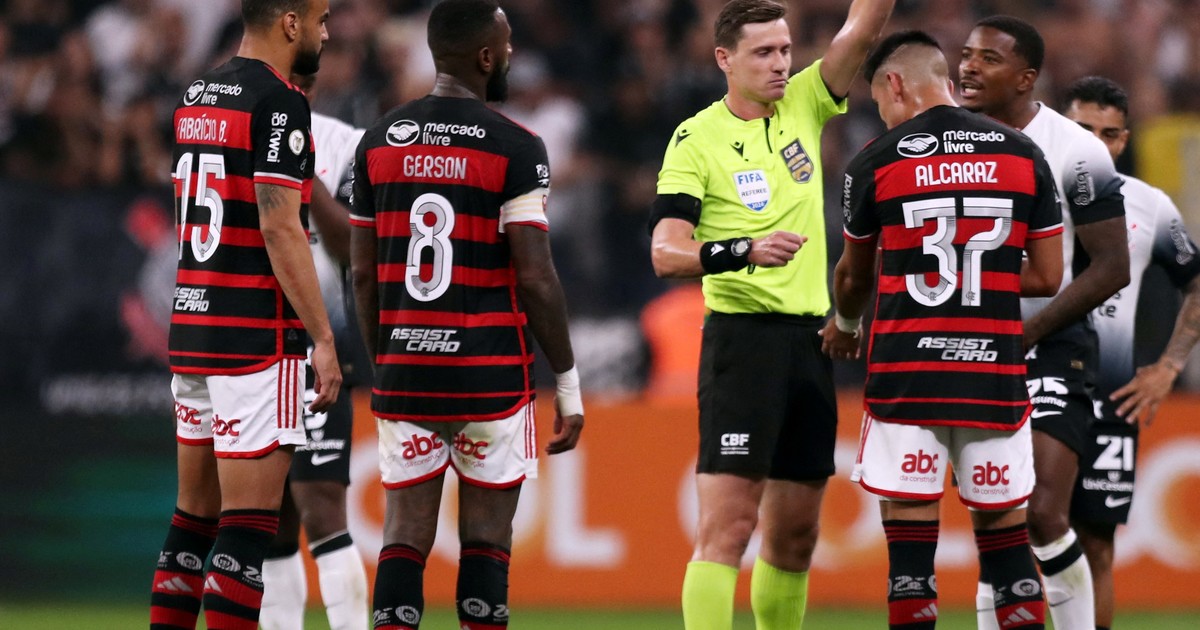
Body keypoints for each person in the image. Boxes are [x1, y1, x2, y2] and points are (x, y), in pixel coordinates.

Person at [648, 0, 894, 627]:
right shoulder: (696, 139)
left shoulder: (805, 101)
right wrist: (742, 250)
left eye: (785, 49)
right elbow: (665, 252)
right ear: (724, 60)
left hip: (811, 342)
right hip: (743, 343)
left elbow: (863, 29)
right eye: (763, 52)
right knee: (729, 528)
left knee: (795, 538)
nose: (781, 63)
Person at [348, 1, 584, 628]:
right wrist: (566, 381)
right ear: (486, 56)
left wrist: (385, 363)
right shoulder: (517, 147)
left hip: (406, 371)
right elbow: (535, 276)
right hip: (489, 375)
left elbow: (362, 275)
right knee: (486, 540)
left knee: (403, 532)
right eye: (505, 45)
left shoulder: (377, 141)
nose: (510, 54)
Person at [822, 30, 1063, 630]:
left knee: (909, 556)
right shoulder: (1023, 153)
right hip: (993, 375)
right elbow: (1049, 276)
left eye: (880, 101)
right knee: (1007, 547)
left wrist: (846, 325)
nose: (883, 113)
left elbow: (853, 275)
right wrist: (983, 278)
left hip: (908, 377)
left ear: (894, 85)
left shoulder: (876, 161)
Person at [150, 1, 340, 629]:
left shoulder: (197, 94)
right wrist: (322, 337)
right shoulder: (281, 102)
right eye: (321, 18)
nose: (325, 32)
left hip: (194, 327)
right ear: (290, 22)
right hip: (256, 336)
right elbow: (280, 226)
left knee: (192, 520)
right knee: (248, 528)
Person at [959, 16, 1130, 630]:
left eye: (988, 58)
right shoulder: (945, 143)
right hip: (970, 345)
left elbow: (1112, 266)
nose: (968, 66)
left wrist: (1027, 334)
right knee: (995, 518)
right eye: (966, 54)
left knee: (1042, 512)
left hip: (1052, 342)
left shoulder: (1076, 149)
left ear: (1026, 77)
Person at [1062, 75, 1200, 630]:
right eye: (1083, 129)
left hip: (1108, 397)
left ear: (1124, 140)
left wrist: (1169, 367)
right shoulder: (1025, 191)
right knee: (1017, 534)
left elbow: (1197, 283)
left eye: (1109, 133)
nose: (1095, 143)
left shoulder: (1150, 205)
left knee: (1095, 545)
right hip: (1027, 385)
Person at [259, 71, 370, 630]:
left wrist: (305, 171)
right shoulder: (234, 137)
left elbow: (352, 246)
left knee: (322, 506)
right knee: (269, 521)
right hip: (252, 346)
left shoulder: (347, 144)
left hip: (315, 346)